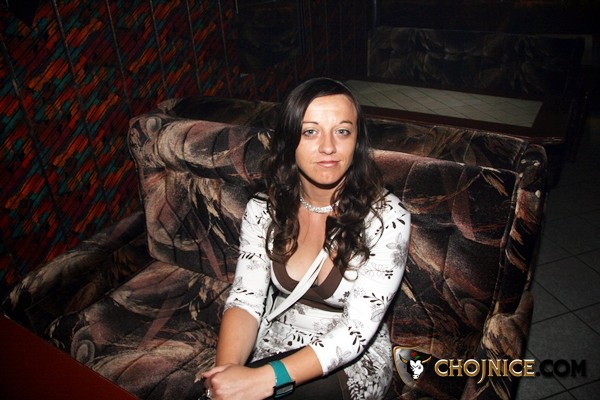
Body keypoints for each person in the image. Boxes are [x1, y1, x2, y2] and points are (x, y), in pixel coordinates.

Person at [202, 77, 411, 400]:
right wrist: (227, 377)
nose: (328, 147)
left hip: (351, 358)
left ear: (357, 141)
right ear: (289, 140)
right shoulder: (264, 210)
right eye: (310, 131)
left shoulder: (387, 219)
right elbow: (245, 300)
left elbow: (355, 331)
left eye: (343, 131)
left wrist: (265, 379)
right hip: (279, 339)